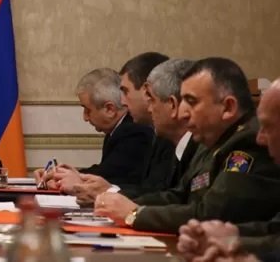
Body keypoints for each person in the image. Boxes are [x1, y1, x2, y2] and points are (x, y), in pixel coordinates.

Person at [94, 58, 280, 234]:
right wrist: (119, 202)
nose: (183, 113)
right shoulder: (211, 141)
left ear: (228, 107)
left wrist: (135, 214)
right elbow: (179, 195)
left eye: (192, 102)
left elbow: (212, 214)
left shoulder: (249, 141)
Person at [177, 79, 280, 261]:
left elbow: (212, 210)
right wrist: (224, 237)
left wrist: (235, 246)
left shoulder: (244, 140)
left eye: (268, 126)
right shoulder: (207, 145)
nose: (260, 138)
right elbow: (274, 230)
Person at [74, 59, 198, 203]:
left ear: (172, 104)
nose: (123, 102)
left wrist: (107, 192)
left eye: (151, 97)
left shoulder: (138, 132)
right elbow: (163, 194)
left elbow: (174, 200)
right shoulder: (163, 137)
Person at [35, 68, 153, 190]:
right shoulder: (116, 130)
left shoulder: (135, 132)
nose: (85, 118)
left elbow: (108, 176)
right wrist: (63, 174)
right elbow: (105, 170)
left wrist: (62, 176)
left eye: (87, 110)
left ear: (110, 109)